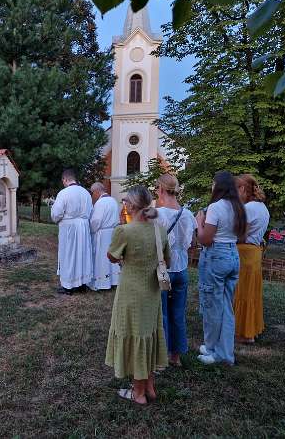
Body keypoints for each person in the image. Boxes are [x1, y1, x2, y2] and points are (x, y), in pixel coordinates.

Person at [105, 185, 169, 405]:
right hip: (152, 291)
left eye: (125, 201)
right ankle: (149, 386)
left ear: (131, 205)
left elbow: (112, 257)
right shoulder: (159, 230)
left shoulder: (125, 231)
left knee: (135, 336)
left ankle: (138, 392)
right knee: (148, 334)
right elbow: (166, 260)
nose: (123, 204)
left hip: (131, 293)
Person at [195, 171, 246, 365]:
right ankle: (224, 352)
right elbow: (241, 235)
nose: (211, 187)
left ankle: (213, 350)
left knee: (212, 305)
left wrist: (199, 223)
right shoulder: (238, 207)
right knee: (225, 305)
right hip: (233, 254)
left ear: (219, 186)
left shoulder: (215, 207)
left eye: (213, 183)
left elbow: (206, 239)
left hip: (216, 256)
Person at [155, 173, 197, 366]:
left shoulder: (158, 214)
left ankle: (162, 354)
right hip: (181, 269)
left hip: (164, 269)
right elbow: (192, 243)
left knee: (162, 312)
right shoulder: (188, 214)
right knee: (178, 313)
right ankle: (176, 356)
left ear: (161, 189)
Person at [234, 174, 270, 344]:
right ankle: (251, 330)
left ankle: (243, 333)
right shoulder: (263, 207)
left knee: (242, 293)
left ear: (242, 189)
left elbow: (241, 235)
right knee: (252, 293)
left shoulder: (249, 209)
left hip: (244, 254)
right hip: (254, 252)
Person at [50, 169, 93, 295]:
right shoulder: (86, 193)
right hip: (83, 227)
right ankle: (82, 284)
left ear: (65, 179)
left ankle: (68, 286)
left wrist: (57, 219)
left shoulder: (64, 193)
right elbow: (90, 211)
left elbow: (56, 214)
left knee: (68, 255)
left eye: (62, 181)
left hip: (69, 228)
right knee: (82, 254)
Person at [88, 182, 120, 291]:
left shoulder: (101, 203)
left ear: (97, 191)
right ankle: (113, 280)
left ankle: (102, 283)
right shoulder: (113, 200)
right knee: (110, 258)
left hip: (102, 234)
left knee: (102, 259)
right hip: (112, 233)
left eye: (92, 193)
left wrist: (90, 230)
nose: (92, 196)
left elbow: (96, 221)